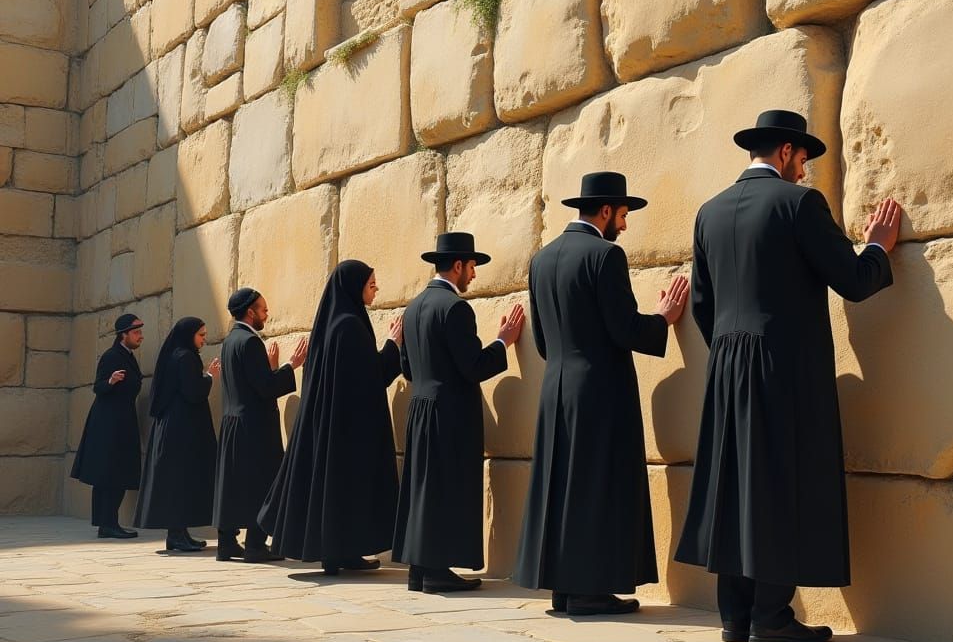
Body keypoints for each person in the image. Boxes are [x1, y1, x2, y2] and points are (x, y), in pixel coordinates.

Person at [675, 110, 901, 642]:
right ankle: (771, 617)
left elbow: (703, 305)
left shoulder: (709, 212)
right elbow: (851, 279)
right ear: (784, 154)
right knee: (779, 481)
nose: (805, 169)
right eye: (803, 158)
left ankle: (736, 614)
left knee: (735, 483)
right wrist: (876, 246)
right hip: (781, 366)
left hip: (726, 366)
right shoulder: (799, 204)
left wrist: (734, 351)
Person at [513, 172, 690, 615]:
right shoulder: (606, 256)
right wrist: (664, 318)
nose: (625, 226)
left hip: (556, 387)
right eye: (624, 215)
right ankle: (589, 591)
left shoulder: (541, 259)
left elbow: (541, 341)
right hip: (598, 389)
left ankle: (565, 588)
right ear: (607, 211)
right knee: (597, 486)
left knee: (564, 485)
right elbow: (623, 327)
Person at [392, 233, 525, 594]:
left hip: (420, 409)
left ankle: (421, 568)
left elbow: (406, 366)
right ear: (457, 266)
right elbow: (473, 366)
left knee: (424, 487)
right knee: (446, 488)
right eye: (472, 267)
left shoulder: (414, 307)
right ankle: (436, 571)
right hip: (447, 413)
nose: (474, 275)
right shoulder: (454, 308)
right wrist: (503, 341)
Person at [259, 261, 405, 574]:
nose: (376, 288)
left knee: (337, 491)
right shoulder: (349, 326)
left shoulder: (333, 324)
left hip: (333, 425)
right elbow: (373, 374)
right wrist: (394, 344)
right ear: (354, 288)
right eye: (371, 284)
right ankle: (340, 552)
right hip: (346, 429)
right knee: (344, 490)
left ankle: (340, 553)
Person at [213, 288, 308, 563]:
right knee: (261, 482)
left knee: (232, 484)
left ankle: (226, 543)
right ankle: (255, 545)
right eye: (263, 310)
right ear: (250, 312)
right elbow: (265, 387)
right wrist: (292, 365)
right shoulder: (250, 342)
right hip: (253, 427)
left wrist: (272, 368)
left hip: (233, 423)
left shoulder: (231, 340)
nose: (267, 314)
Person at [134, 317, 221, 553]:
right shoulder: (185, 357)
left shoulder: (175, 355)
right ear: (189, 335)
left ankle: (179, 534)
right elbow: (193, 392)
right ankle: (177, 535)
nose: (203, 340)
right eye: (201, 335)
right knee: (179, 481)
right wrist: (210, 377)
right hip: (182, 430)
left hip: (174, 428)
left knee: (179, 481)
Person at [70, 312, 145, 539]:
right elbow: (98, 387)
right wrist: (110, 382)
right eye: (136, 332)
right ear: (124, 335)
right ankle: (107, 524)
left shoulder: (127, 355)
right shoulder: (113, 356)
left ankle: (108, 523)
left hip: (120, 421)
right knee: (109, 474)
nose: (140, 336)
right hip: (109, 424)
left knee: (115, 473)